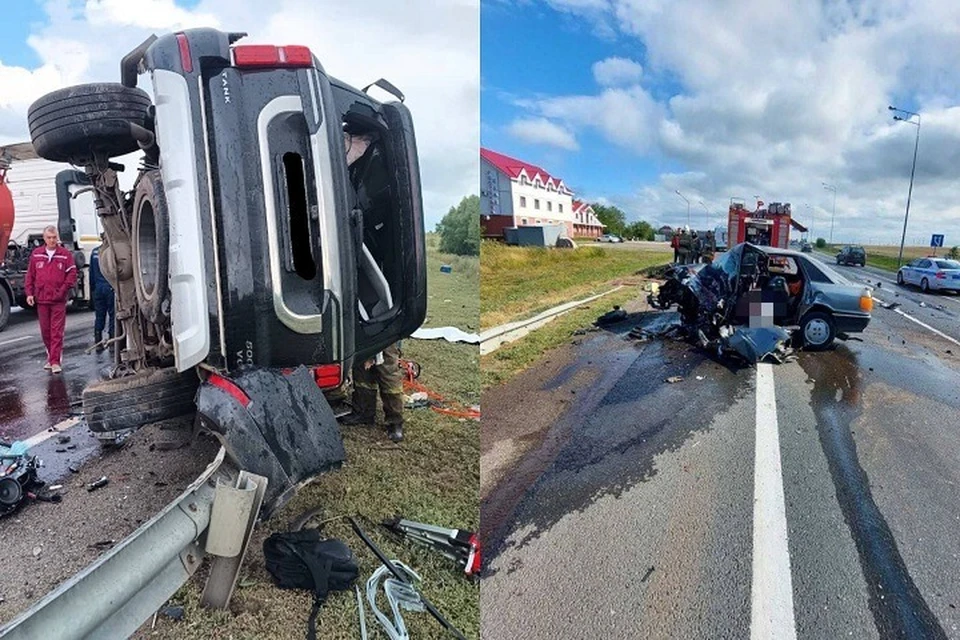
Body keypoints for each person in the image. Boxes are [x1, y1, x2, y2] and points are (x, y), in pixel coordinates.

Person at [24, 225, 76, 374]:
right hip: (41, 299)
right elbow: (30, 276)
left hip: (58, 300)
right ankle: (51, 356)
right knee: (45, 331)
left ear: (57, 237)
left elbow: (72, 274)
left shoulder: (65, 255)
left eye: (54, 238)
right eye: (49, 238)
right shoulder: (37, 254)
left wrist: (62, 291)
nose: (52, 240)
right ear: (44, 238)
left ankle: (55, 361)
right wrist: (29, 293)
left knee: (56, 331)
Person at [340, 343, 405, 442]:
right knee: (363, 375)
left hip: (384, 336)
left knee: (388, 375)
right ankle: (364, 412)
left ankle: (395, 422)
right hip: (362, 336)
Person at [89, 236, 115, 352]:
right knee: (112, 315)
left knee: (99, 316)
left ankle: (98, 341)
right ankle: (113, 341)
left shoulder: (95, 252)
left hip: (98, 288)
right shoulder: (111, 251)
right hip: (109, 287)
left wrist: (92, 290)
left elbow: (91, 274)